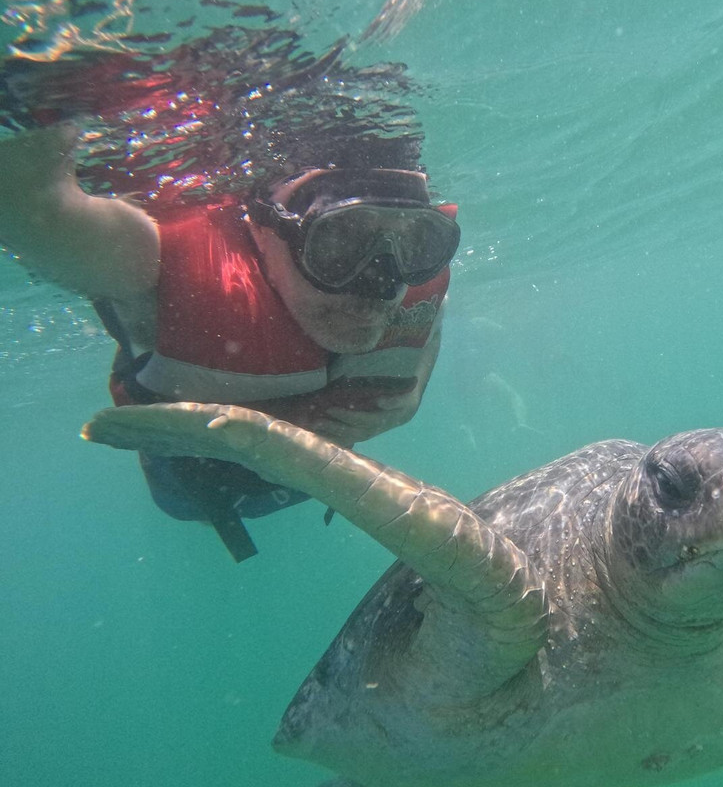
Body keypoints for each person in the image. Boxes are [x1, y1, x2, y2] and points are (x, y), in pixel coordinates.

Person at [0, 123, 460, 561]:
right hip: (197, 492)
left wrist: (412, 393)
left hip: (311, 484)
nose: (381, 286)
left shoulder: (412, 282)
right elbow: (29, 205)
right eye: (338, 244)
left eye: (416, 246)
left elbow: (429, 318)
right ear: (263, 231)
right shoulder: (160, 267)